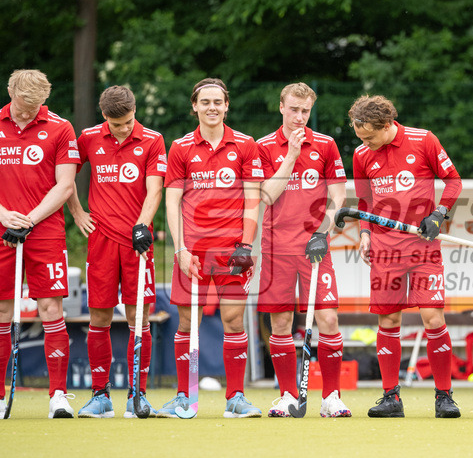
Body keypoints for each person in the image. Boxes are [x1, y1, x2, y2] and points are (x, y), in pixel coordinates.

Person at [349, 95, 463, 418]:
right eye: (361, 138)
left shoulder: (423, 140)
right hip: (385, 250)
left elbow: (453, 181)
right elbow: (364, 199)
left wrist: (439, 214)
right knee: (388, 320)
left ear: (387, 126)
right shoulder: (361, 154)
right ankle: (391, 398)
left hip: (424, 247)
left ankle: (444, 396)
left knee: (433, 318)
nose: (366, 144)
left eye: (370, 136)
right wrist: (365, 233)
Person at [157, 78, 264, 418]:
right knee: (186, 322)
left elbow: (252, 199)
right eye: (205, 102)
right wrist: (180, 249)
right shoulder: (180, 147)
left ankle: (236, 398)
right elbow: (172, 203)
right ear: (195, 106)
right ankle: (183, 396)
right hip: (193, 252)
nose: (212, 107)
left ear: (227, 105)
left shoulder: (246, 145)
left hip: (232, 251)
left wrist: (246, 245)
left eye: (218, 102)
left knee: (233, 320)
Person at [68, 86, 166, 418]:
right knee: (100, 317)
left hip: (138, 244)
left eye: (127, 122)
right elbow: (65, 177)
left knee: (140, 319)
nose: (123, 129)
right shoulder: (88, 137)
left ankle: (137, 395)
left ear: (135, 111)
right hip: (101, 242)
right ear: (104, 118)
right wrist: (78, 213)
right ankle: (100, 396)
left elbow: (155, 189)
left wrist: (143, 225)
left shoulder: (153, 139)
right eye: (116, 124)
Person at [257, 82, 350, 418]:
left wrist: (324, 231)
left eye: (305, 111)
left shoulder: (325, 144)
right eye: (293, 109)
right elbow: (265, 195)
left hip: (314, 246)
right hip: (276, 247)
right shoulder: (263, 147)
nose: (299, 117)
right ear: (281, 106)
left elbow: (338, 195)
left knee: (328, 318)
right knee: (280, 322)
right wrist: (292, 155)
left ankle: (331, 397)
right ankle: (286, 395)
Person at [0, 70, 79, 419]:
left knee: (51, 311)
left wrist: (29, 218)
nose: (28, 113)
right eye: (23, 105)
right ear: (11, 92)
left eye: (36, 106)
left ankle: (58, 395)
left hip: (44, 232)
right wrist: (3, 215)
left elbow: (65, 185)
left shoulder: (60, 127)